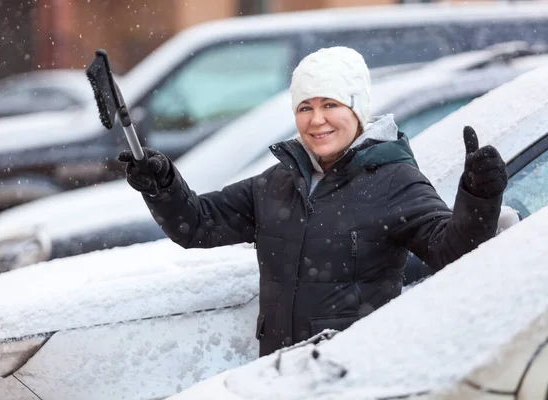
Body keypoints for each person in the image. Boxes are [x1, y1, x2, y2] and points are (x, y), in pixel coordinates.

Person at [117, 47, 507, 357]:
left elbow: (452, 251)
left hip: (351, 374)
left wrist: (479, 195)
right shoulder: (278, 182)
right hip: (278, 371)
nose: (316, 120)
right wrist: (162, 184)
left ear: (357, 110)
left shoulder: (393, 179)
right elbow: (198, 225)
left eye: (330, 104)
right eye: (305, 107)